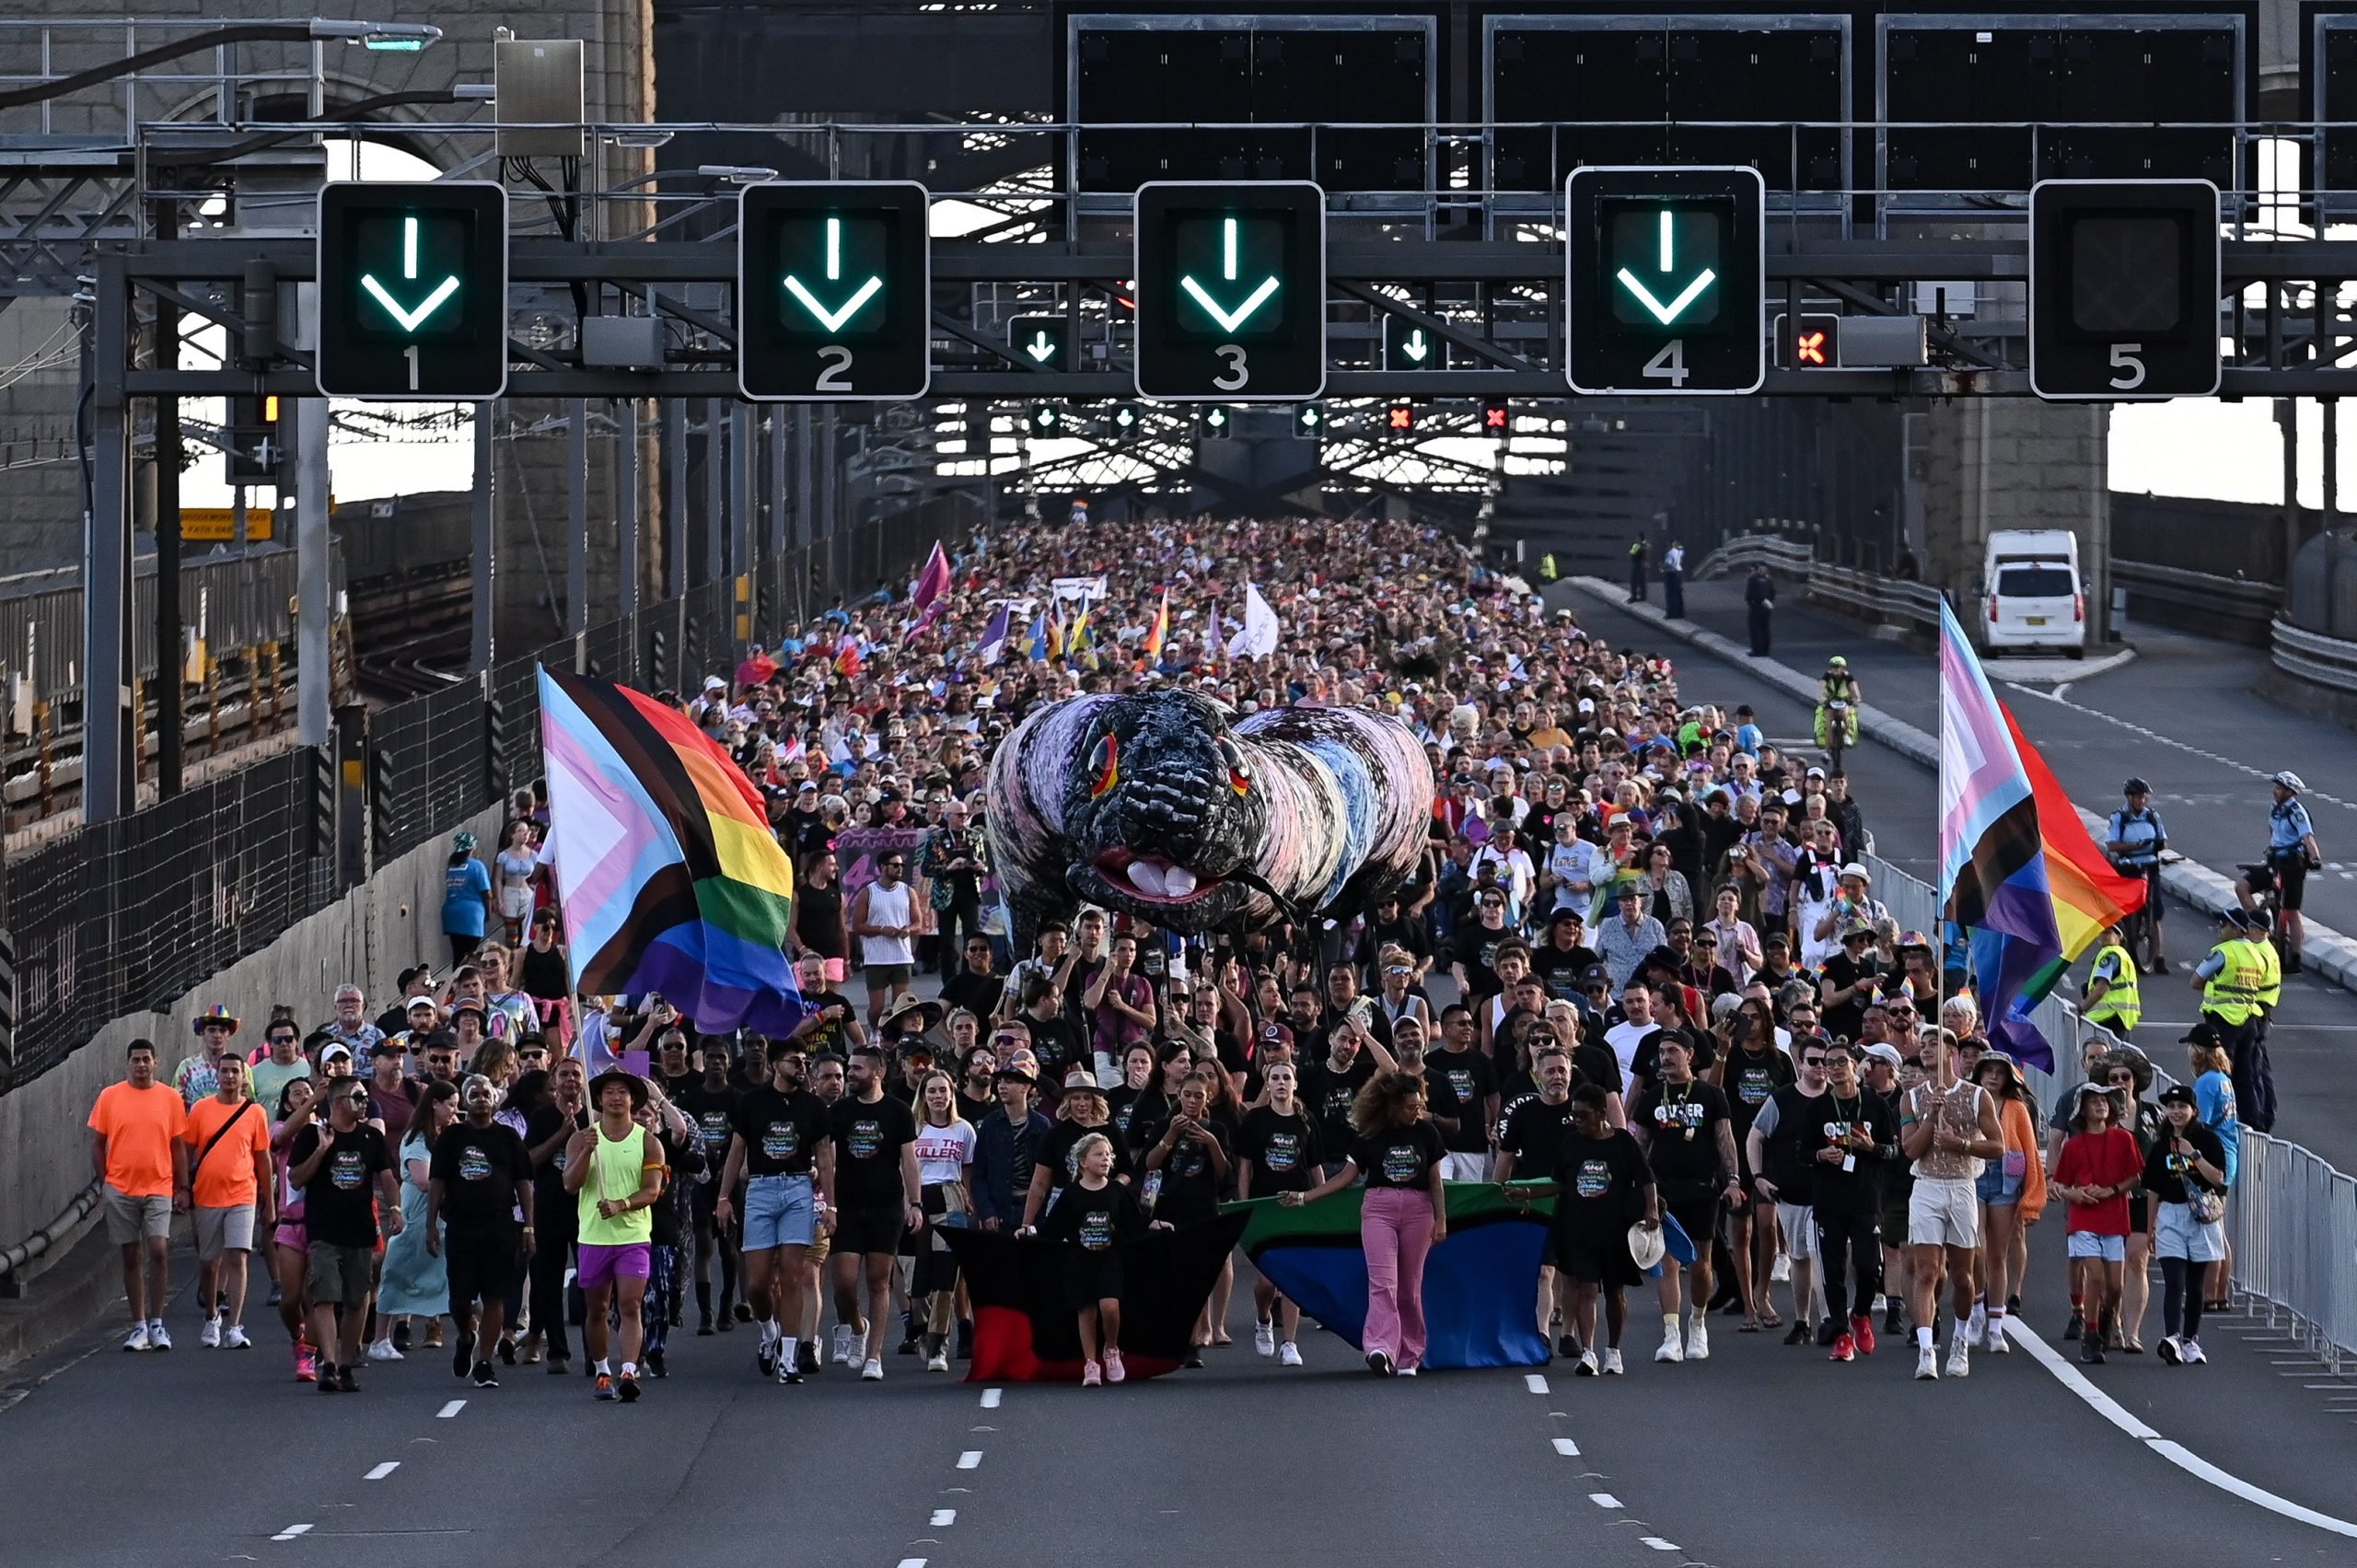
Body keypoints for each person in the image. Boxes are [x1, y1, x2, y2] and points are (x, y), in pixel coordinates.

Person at [1285, 1070, 1449, 1377]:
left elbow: (1435, 1180)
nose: (1417, 1112)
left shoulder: (1427, 1133)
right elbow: (1346, 1177)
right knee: (1382, 1282)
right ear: (1392, 1107)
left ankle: (1409, 1354)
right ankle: (1380, 1348)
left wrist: (1441, 1219)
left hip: (1418, 1210)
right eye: (1410, 1107)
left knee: (1410, 1287)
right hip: (1379, 1208)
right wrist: (1306, 1197)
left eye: (1419, 1105)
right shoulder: (1369, 1135)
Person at [1506, 1083, 1657, 1376]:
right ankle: (1588, 1352)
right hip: (1579, 1229)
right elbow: (1560, 1182)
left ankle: (1613, 1350)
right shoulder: (1571, 1143)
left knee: (1614, 1293)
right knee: (1586, 1288)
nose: (1577, 1121)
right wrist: (1528, 1193)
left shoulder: (1623, 1142)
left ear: (1602, 1114)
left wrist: (1651, 1209)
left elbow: (1646, 1178)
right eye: (1574, 1115)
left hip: (1616, 1231)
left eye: (1583, 1115)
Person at [715, 1043, 833, 1383]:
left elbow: (824, 1158)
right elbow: (737, 1150)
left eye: (804, 1062)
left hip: (798, 1189)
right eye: (794, 1061)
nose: (802, 1066)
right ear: (775, 1064)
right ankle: (770, 1332)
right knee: (757, 1284)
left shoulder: (814, 1106)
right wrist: (724, 1197)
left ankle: (789, 1358)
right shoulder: (751, 1102)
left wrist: (832, 1206)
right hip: (761, 1189)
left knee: (794, 1276)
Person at [1899, 1028, 2004, 1381]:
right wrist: (1931, 1117)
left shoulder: (1977, 1097)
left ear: (1951, 1052)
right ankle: (1926, 1350)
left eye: (1934, 1045)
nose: (1925, 1050)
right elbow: (1911, 1149)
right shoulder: (1912, 1098)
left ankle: (1961, 1339)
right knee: (1927, 1270)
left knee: (1962, 1276)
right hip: (1926, 1186)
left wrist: (1960, 1143)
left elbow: (1997, 1146)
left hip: (1962, 1188)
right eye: (1924, 1044)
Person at [287, 1074, 401, 1393]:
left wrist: (395, 1209)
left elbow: (387, 1177)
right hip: (324, 1230)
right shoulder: (313, 1134)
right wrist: (322, 1151)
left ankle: (347, 1363)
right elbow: (296, 1179)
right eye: (358, 1097)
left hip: (360, 1229)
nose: (365, 1103)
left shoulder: (370, 1137)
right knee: (325, 1295)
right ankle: (329, 1363)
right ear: (338, 1102)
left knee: (356, 1299)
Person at [1628, 1035, 1738, 1365]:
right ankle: (1671, 1335)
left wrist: (1733, 1180)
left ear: (1689, 1055)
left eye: (1673, 1051)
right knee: (1667, 1261)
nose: (1666, 1057)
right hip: (1662, 1191)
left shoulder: (1711, 1095)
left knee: (1702, 1262)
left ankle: (1698, 1323)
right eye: (1661, 1052)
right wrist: (1637, 1187)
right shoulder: (1650, 1098)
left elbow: (1725, 1139)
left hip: (1703, 1187)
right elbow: (1641, 1146)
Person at [1029, 1132, 1166, 1387]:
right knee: (1086, 1310)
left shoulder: (1116, 1190)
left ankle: (1112, 1350)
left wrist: (1154, 1224)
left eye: (1108, 1155)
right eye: (1099, 1154)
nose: (1105, 1159)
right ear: (1083, 1161)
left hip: (1109, 1257)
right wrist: (1030, 1230)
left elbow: (1133, 1222)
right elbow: (1054, 1227)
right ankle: (1090, 1363)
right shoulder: (1071, 1193)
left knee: (1109, 1306)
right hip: (1079, 1259)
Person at [427, 1074, 537, 1389]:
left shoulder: (508, 1138)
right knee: (460, 1300)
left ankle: (485, 1362)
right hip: (460, 1226)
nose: (480, 1097)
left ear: (495, 1098)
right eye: (473, 1093)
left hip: (500, 1226)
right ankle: (465, 1336)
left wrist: (529, 1225)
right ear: (464, 1100)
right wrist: (430, 1223)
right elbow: (437, 1182)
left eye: (486, 1092)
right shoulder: (452, 1137)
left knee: (495, 1296)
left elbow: (524, 1183)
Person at [566, 1069, 668, 1402]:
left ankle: (628, 1368)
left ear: (632, 1099)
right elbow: (570, 1183)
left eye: (622, 1092)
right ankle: (601, 1371)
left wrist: (621, 1204)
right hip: (594, 1237)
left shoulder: (648, 1142)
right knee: (597, 1308)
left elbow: (652, 1191)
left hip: (633, 1236)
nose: (615, 1098)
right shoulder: (582, 1138)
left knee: (629, 1304)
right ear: (599, 1099)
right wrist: (586, 1152)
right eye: (609, 1092)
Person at [828, 1044, 923, 1381]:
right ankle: (857, 1326)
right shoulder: (839, 1112)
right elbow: (828, 1158)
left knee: (879, 1281)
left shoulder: (898, 1112)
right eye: (849, 1068)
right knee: (844, 1283)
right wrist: (827, 1201)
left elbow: (909, 1161)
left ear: (877, 1072)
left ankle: (874, 1357)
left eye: (856, 1069)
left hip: (886, 1206)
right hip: (848, 1205)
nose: (850, 1075)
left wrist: (915, 1203)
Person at [89, 1040, 189, 1353]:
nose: (142, 1065)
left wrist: (182, 1187)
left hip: (159, 1185)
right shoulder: (110, 1096)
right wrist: (106, 1182)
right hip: (120, 1188)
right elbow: (97, 1143)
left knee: (158, 1249)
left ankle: (158, 1322)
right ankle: (138, 1325)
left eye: (147, 1059)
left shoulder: (170, 1098)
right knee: (131, 1255)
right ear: (128, 1063)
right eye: (136, 1060)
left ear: (155, 1062)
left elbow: (178, 1147)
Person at [1802, 1043, 1899, 1362]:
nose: (1835, 1068)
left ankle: (1860, 1315)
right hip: (1828, 1201)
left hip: (1865, 1198)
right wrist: (1820, 1155)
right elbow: (1800, 1153)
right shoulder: (1817, 1109)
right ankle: (1842, 1333)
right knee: (1831, 1270)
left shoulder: (1873, 1104)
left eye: (1842, 1062)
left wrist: (1871, 1147)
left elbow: (1893, 1150)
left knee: (1869, 1265)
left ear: (1857, 1066)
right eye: (1829, 1063)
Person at [180, 1051, 273, 1350]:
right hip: (207, 1195)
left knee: (238, 1257)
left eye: (236, 1071)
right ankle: (212, 1316)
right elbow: (186, 1150)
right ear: (217, 1075)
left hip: (242, 1194)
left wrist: (268, 1203)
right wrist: (182, 1188)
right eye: (225, 1071)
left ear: (243, 1076)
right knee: (209, 1263)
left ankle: (235, 1325)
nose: (230, 1076)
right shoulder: (201, 1110)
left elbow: (263, 1158)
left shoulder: (255, 1113)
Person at [1235, 1060, 1319, 1366]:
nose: (1281, 1082)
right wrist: (1245, 1205)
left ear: (1294, 1084)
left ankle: (1290, 1343)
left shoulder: (1306, 1120)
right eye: (1275, 1078)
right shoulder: (1255, 1119)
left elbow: (1314, 1166)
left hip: (1296, 1204)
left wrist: (1318, 1200)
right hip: (1264, 1206)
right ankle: (1262, 1319)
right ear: (1267, 1085)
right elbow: (1245, 1165)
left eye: (1286, 1077)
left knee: (1292, 1278)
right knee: (1267, 1283)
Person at [2052, 1080, 2142, 1365]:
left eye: (2105, 1101)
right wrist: (2074, 1193)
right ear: (2083, 1110)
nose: (2101, 1105)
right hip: (2084, 1218)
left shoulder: (2123, 1139)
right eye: (2094, 1101)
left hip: (2114, 1217)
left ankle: (2104, 1322)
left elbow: (2136, 1176)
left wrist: (2112, 1190)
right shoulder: (2074, 1145)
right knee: (2095, 1275)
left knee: (2114, 1286)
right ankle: (2090, 1335)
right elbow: (2061, 1184)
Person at [1748, 1039, 1831, 1348]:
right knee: (1798, 1258)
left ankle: (1828, 1321)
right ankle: (1802, 1321)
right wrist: (1758, 1177)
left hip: (1829, 1193)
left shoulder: (1838, 1097)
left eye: (1825, 1061)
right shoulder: (1781, 1099)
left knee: (1819, 1254)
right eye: (1813, 1061)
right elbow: (1755, 1137)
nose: (1820, 1067)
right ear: (1799, 1063)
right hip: (1791, 1192)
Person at [371, 1080, 457, 1364]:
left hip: (444, 1216)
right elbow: (422, 1180)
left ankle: (478, 1332)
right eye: (451, 1105)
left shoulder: (449, 1134)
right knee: (397, 1272)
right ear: (435, 1104)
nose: (455, 1111)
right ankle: (380, 1338)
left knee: (456, 1275)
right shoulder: (417, 1138)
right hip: (417, 1214)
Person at [2147, 1083, 2230, 1365]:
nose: (2176, 1112)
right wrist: (2150, 1228)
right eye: (2171, 1107)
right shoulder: (2160, 1146)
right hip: (2170, 1214)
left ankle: (2190, 1340)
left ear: (2193, 1110)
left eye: (2182, 1107)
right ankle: (2172, 1336)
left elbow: (2218, 1178)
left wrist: (2193, 1154)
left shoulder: (2208, 1140)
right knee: (2174, 1280)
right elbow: (2153, 1190)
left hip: (2202, 1215)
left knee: (2195, 1283)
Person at [911, 1070, 977, 1372]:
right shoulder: (914, 1128)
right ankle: (921, 1328)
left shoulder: (964, 1130)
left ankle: (939, 1344)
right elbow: (904, 1170)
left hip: (951, 1197)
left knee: (947, 1274)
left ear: (952, 1095)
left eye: (943, 1091)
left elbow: (967, 1171)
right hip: (919, 1197)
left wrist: (971, 1203)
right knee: (919, 1273)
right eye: (932, 1091)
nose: (939, 1096)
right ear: (923, 1095)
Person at [2236, 771, 2321, 971]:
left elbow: (2308, 836)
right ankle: (2259, 922)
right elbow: (2272, 830)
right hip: (2274, 860)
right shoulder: (2275, 808)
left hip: (2292, 864)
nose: (2275, 791)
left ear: (2290, 792)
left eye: (2280, 788)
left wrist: (2315, 858)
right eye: (2276, 787)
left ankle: (2295, 958)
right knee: (2242, 887)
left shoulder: (2296, 811)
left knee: (2292, 911)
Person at [850, 848, 920, 1028]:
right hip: (876, 958)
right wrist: (881, 930)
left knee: (900, 1004)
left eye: (902, 865)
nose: (900, 869)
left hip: (901, 956)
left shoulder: (908, 891)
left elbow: (918, 922)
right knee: (877, 1007)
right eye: (895, 865)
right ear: (883, 867)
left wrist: (908, 930)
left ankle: (896, 1036)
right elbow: (857, 926)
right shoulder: (868, 892)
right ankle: (874, 1032)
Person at [2104, 779, 2167, 971]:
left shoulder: (2152, 817)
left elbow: (2163, 840)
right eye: (2139, 797)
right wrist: (2134, 846)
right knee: (2121, 910)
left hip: (2150, 865)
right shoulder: (2119, 818)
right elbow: (2112, 844)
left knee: (2155, 912)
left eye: (2144, 797)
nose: (2142, 801)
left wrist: (2157, 844)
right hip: (2128, 866)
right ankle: (2116, 948)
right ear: (2129, 798)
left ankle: (2159, 959)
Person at [2082, 920, 2142, 1042]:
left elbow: (2100, 989)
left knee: (2105, 1058)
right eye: (2102, 932)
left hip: (2108, 1017)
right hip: (2121, 1017)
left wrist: (2081, 1009)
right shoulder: (2123, 955)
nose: (2104, 935)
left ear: (2120, 936)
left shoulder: (2111, 955)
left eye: (2108, 933)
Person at [442, 831, 495, 969]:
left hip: (451, 914)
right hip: (471, 915)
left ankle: (455, 983)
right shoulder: (476, 865)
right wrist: (488, 913)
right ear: (472, 848)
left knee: (458, 954)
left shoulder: (452, 866)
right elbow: (487, 893)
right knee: (470, 955)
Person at [1744, 563, 1776, 656]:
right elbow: (1773, 593)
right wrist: (1769, 602)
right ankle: (1765, 650)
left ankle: (1756, 650)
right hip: (1767, 607)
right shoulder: (1769, 580)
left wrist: (1752, 602)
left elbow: (1748, 595)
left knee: (1754, 629)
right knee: (1765, 628)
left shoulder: (1753, 579)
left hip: (1756, 607)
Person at [1661, 539, 1686, 619]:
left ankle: (1671, 613)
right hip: (1677, 573)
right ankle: (1679, 612)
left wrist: (1662, 567)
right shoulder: (1679, 552)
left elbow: (1668, 564)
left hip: (1671, 574)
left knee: (1670, 594)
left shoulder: (1671, 553)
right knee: (1677, 593)